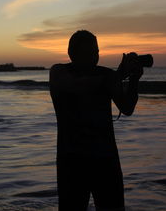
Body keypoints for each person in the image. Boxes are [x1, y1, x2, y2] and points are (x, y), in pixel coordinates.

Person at [49, 30, 143, 211]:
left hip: (106, 160)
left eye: (96, 52)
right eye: (89, 53)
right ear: (72, 54)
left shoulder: (106, 76)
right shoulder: (59, 72)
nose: (94, 57)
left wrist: (134, 80)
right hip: (73, 162)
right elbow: (80, 84)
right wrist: (117, 75)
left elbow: (127, 108)